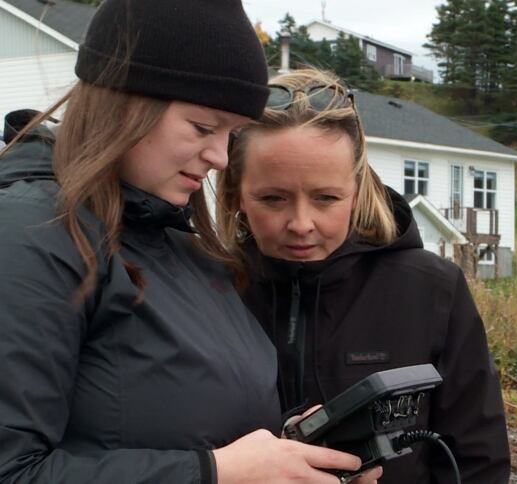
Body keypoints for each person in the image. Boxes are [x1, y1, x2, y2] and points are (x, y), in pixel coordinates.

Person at [0, 2, 381, 483]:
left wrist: (294, 456)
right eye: (204, 127)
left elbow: (195, 428)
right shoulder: (31, 237)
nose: (220, 157)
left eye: (231, 134)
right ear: (125, 103)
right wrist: (216, 472)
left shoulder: (184, 248)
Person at [215, 69, 511, 484]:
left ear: (357, 190)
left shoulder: (432, 290)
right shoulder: (205, 292)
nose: (301, 223)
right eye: (272, 198)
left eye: (326, 198)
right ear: (236, 196)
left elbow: (479, 459)